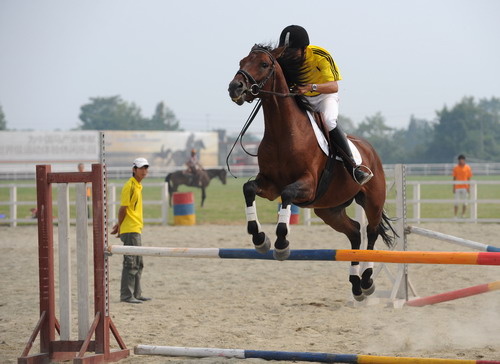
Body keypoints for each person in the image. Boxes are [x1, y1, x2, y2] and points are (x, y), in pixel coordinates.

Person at [278, 25, 372, 185]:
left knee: (329, 121)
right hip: (302, 98)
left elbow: (334, 86)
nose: (289, 55)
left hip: (324, 96)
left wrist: (311, 86)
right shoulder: (284, 58)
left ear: (304, 49)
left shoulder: (320, 55)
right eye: (286, 51)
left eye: (292, 51)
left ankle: (353, 167)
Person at [111, 157, 152, 304]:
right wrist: (120, 225)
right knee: (131, 263)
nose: (144, 171)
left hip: (135, 228)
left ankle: (136, 293)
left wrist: (119, 224)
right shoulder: (130, 186)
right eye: (141, 168)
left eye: (146, 168)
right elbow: (123, 208)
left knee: (139, 263)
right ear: (134, 169)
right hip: (131, 229)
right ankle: (127, 295)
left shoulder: (138, 185)